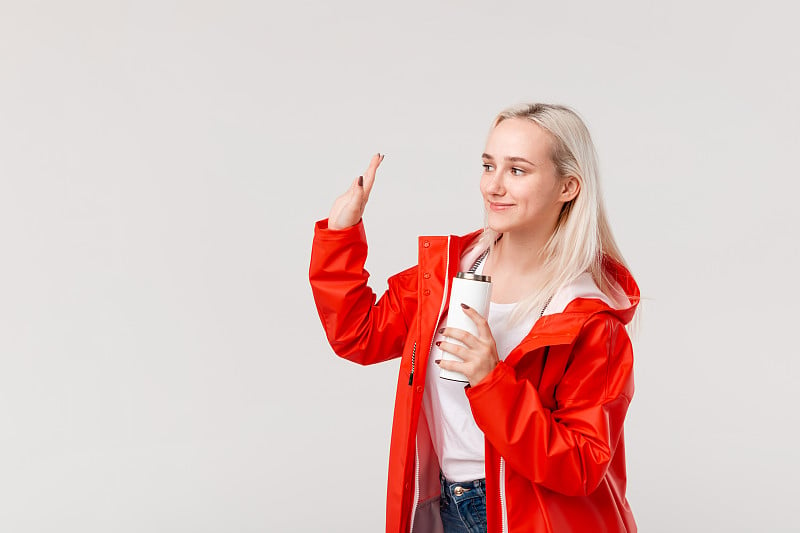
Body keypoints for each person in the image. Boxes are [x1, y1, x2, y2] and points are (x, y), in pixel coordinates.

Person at [309, 103, 640, 532]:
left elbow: (579, 465)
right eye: (488, 165)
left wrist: (490, 380)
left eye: (517, 170)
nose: (493, 186)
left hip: (536, 520)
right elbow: (359, 335)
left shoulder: (590, 320)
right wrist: (340, 235)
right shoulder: (445, 276)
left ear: (568, 187)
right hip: (447, 507)